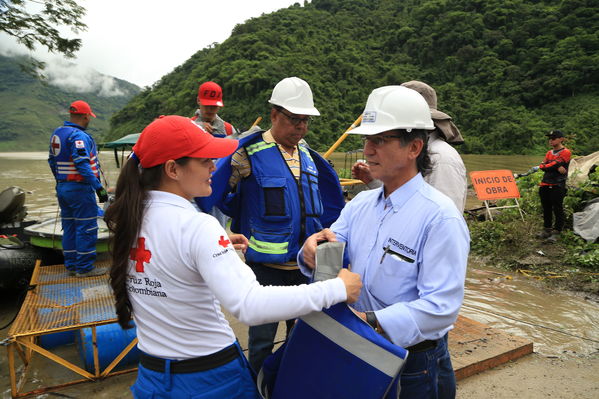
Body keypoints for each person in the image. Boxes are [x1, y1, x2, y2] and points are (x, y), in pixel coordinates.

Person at [103, 115, 361, 399]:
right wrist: (336, 288)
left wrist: (216, 245)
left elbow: (169, 260)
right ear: (173, 169)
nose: (214, 167)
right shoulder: (197, 227)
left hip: (153, 376)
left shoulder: (131, 217)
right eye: (204, 161)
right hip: (209, 380)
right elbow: (249, 305)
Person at [299, 86, 470, 398]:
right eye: (367, 140)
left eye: (379, 140)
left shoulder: (439, 218)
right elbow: (336, 244)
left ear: (414, 147)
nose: (367, 150)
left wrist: (369, 320)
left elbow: (441, 307)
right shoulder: (361, 205)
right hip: (359, 342)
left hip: (411, 360)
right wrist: (314, 248)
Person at [199, 76, 343, 373]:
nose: (301, 127)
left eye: (305, 121)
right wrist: (231, 229)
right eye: (294, 120)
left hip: (304, 267)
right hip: (265, 270)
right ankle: (256, 388)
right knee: (262, 342)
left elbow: (328, 207)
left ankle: (289, 386)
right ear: (275, 115)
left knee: (300, 339)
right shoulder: (245, 154)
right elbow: (217, 195)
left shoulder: (309, 157)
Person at [352, 80, 468, 212]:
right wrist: (372, 181)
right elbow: (399, 201)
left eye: (380, 139)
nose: (368, 151)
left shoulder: (442, 158)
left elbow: (444, 214)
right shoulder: (417, 153)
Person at [48, 100, 108, 277]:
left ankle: (72, 266)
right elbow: (82, 165)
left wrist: (60, 182)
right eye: (89, 117)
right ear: (86, 116)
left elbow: (51, 161)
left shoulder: (57, 134)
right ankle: (84, 268)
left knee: (70, 227)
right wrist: (99, 188)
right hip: (79, 190)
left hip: (63, 188)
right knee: (87, 227)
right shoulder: (79, 136)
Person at [538, 129, 571, 241]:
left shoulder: (566, 152)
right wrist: (553, 166)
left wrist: (549, 165)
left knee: (557, 208)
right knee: (546, 207)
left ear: (561, 139)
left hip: (558, 184)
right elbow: (542, 166)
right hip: (545, 183)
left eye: (553, 138)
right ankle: (547, 229)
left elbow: (548, 165)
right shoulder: (549, 153)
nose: (551, 141)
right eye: (549, 138)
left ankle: (557, 231)